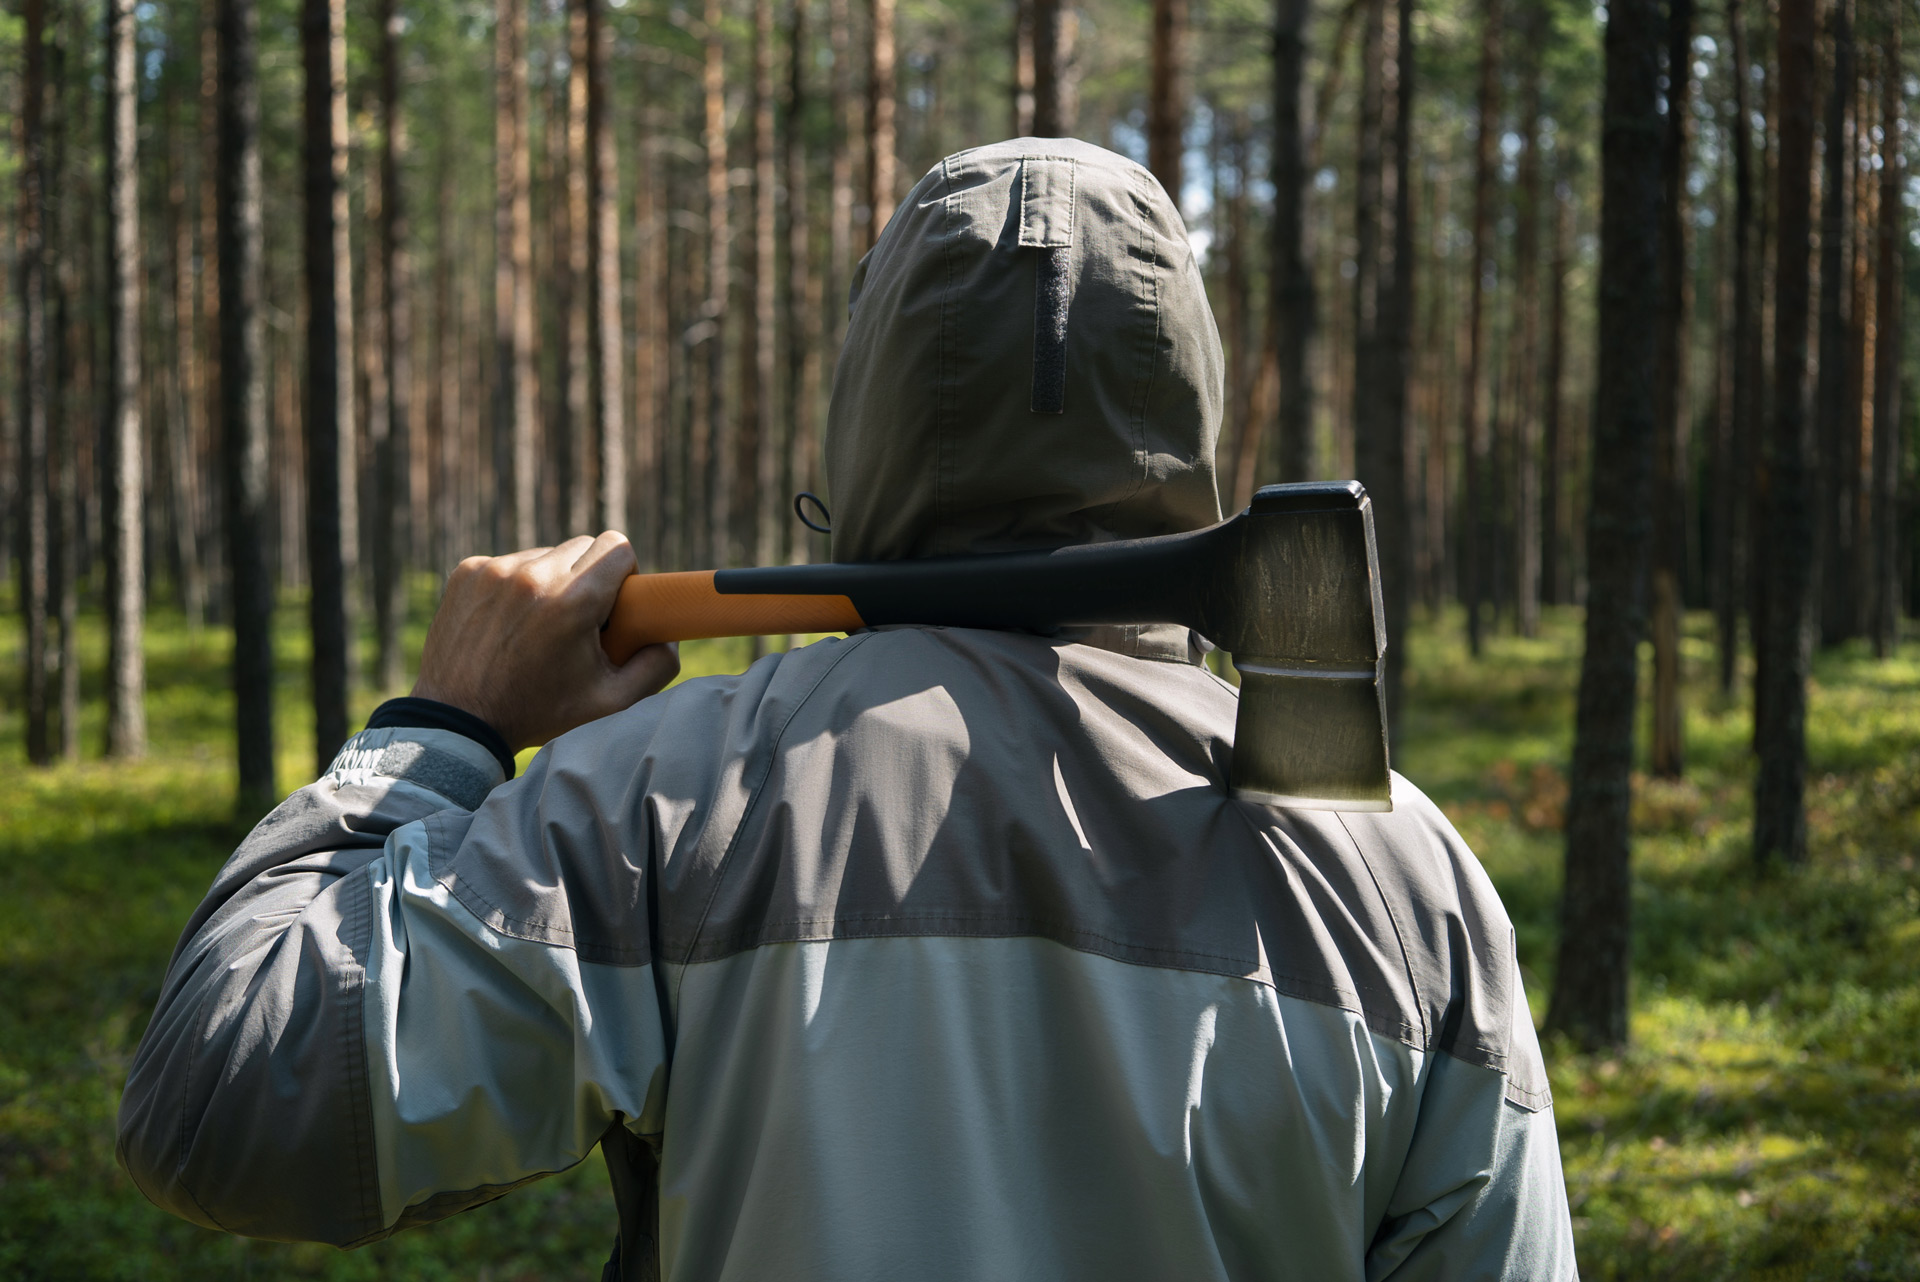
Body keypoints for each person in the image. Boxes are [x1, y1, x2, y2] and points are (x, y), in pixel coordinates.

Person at [119, 138, 1578, 1280]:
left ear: (865, 433)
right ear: (1188, 432)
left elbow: (223, 1099)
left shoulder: (658, 803)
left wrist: (435, 725)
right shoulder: (1410, 886)